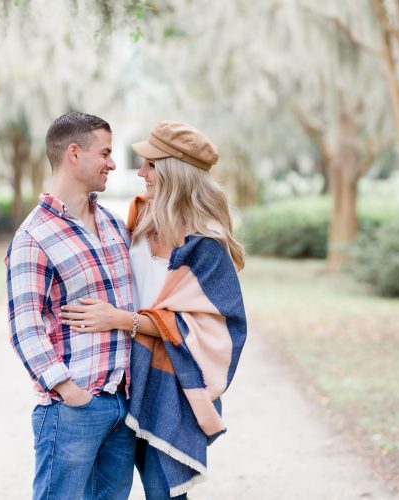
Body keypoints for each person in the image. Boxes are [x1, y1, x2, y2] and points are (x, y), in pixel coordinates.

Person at [60, 120, 248, 499]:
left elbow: (211, 329)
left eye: (151, 165)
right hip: (122, 377)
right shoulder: (139, 221)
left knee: (164, 494)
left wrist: (120, 320)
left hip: (169, 387)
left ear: (175, 172)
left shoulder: (204, 245)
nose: (141, 173)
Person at [5, 112, 139, 500]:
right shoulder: (34, 236)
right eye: (106, 153)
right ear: (74, 154)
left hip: (122, 406)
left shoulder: (114, 226)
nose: (113, 163)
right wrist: (69, 390)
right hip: (72, 411)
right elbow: (24, 328)